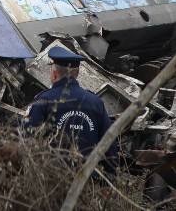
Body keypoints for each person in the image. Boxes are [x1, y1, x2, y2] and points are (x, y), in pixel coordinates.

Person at [24, 46, 117, 174]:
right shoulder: (96, 103)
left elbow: (29, 141)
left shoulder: (43, 101)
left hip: (53, 182)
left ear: (54, 74)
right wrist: (108, 179)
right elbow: (109, 145)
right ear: (76, 74)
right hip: (89, 183)